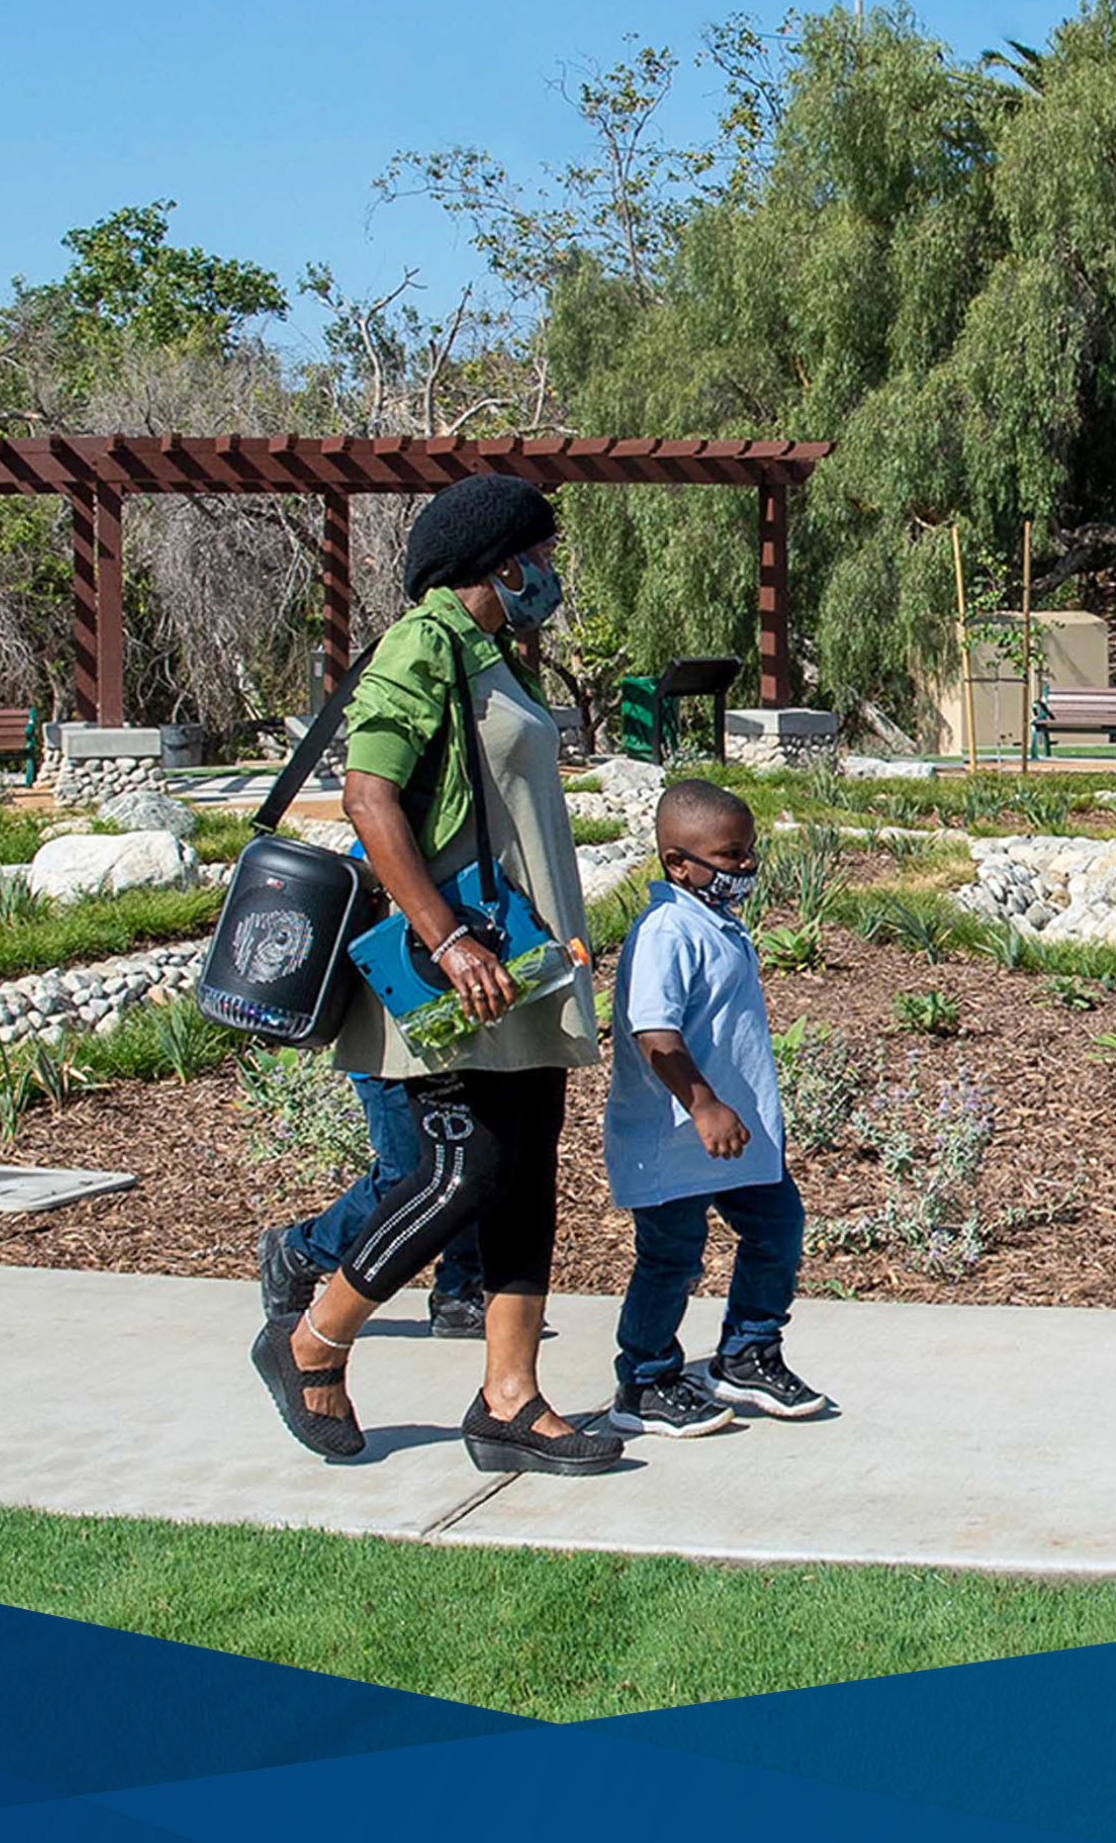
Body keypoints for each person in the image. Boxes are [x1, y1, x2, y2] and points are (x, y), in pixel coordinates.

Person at [248, 471, 615, 1474]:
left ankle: (509, 1399)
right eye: (539, 553)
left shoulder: (495, 656)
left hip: (523, 964)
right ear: (498, 559)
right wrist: (447, 940)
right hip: (461, 966)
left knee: (526, 1171)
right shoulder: (424, 644)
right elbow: (367, 796)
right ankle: (312, 1339)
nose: (549, 570)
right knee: (463, 1172)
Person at [601, 779, 829, 1436]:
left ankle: (747, 1354)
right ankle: (643, 1382)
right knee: (671, 1257)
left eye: (749, 853)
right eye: (731, 857)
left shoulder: (714, 921)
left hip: (739, 1136)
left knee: (777, 1229)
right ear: (679, 863)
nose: (747, 867)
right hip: (675, 1137)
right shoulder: (668, 929)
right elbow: (654, 1034)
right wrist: (703, 1106)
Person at [256, 1077, 484, 1337]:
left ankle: (460, 1292)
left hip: (454, 1061)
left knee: (469, 1167)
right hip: (388, 1062)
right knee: (408, 1178)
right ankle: (303, 1250)